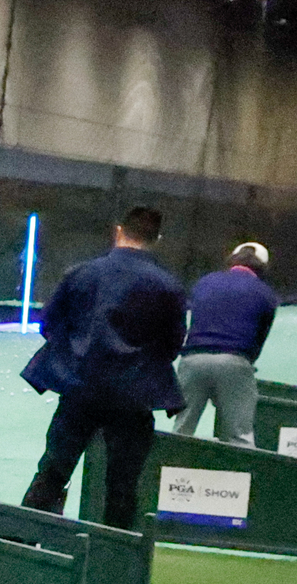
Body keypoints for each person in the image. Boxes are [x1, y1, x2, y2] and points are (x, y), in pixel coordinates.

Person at [20, 205, 186, 531]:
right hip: (134, 396)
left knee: (53, 470)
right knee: (122, 485)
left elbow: (50, 324)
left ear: (118, 230)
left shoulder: (81, 273)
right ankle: (112, 560)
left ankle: (22, 544)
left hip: (79, 389)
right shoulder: (168, 287)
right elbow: (173, 344)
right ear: (157, 239)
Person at [173, 242, 279, 447]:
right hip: (235, 361)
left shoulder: (204, 282)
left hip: (192, 359)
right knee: (240, 437)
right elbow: (259, 340)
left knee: (181, 431)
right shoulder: (265, 293)